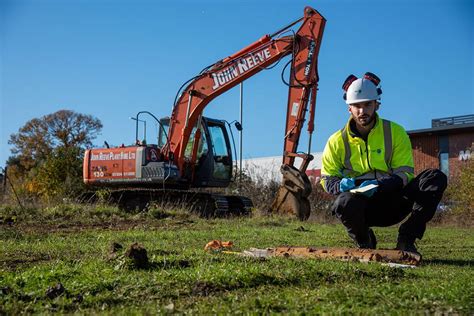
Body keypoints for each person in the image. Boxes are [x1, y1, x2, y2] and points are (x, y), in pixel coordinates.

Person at [320, 72, 447, 255]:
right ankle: (365, 241)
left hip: (394, 200)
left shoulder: (395, 132)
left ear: (377, 104)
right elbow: (326, 177)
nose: (362, 111)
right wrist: (339, 184)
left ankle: (407, 238)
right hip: (361, 206)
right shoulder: (336, 141)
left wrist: (379, 185)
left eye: (367, 105)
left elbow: (405, 173)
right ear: (349, 108)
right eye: (356, 106)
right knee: (343, 202)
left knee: (435, 178)